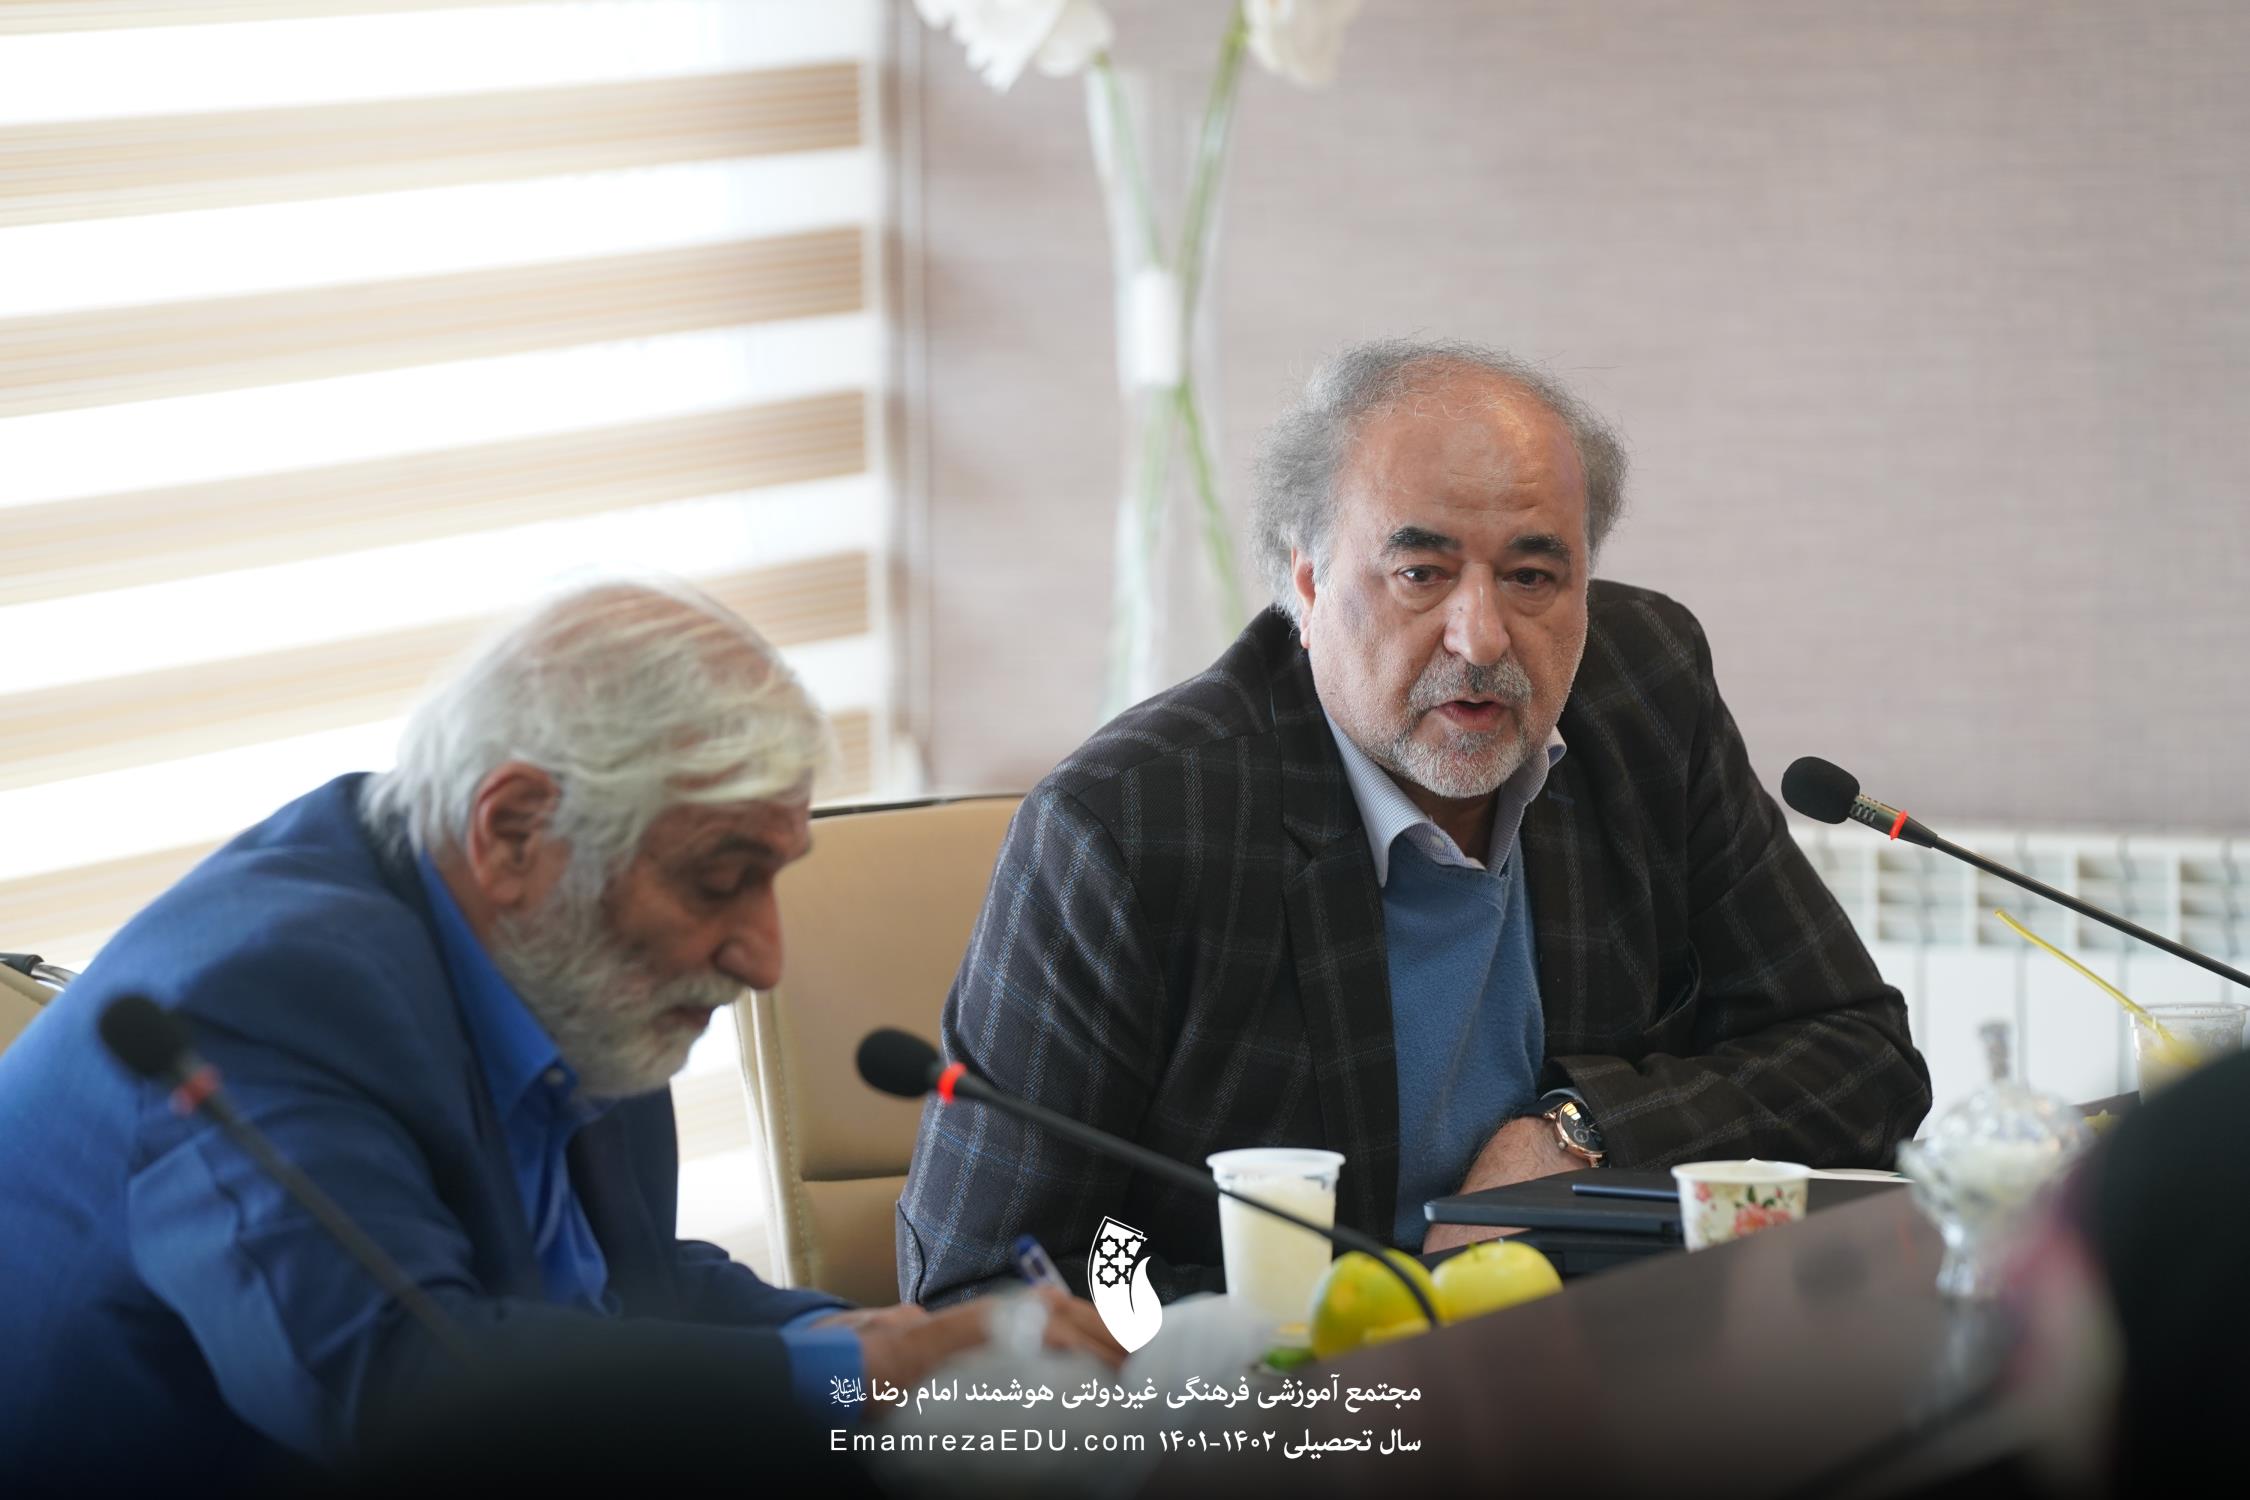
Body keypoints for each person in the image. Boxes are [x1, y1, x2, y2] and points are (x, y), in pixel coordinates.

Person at [0, 581, 1118, 1487]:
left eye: (772, 878)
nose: (764, 957)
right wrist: (861, 1376)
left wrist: (891, 1346)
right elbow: (396, 1391)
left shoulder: (555, 945)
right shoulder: (264, 1001)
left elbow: (629, 1287)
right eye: (720, 880)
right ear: (514, 830)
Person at [900, 338, 1932, 1305]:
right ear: (1307, 584)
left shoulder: (1641, 693)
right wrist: (1269, 1345)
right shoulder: (1131, 829)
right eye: (1420, 574)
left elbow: (1860, 1059)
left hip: (1604, 1370)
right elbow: (985, 1287)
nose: (1481, 639)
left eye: (1532, 576)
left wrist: (1580, 1134)